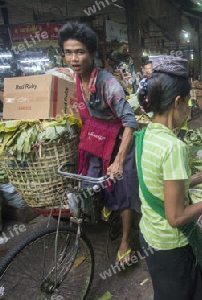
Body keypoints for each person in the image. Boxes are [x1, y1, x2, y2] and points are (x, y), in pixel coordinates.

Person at [135, 55, 202, 299]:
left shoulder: (145, 136)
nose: (190, 109)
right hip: (172, 246)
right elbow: (176, 217)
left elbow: (162, 187)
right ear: (177, 102)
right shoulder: (174, 147)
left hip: (150, 236)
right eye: (188, 103)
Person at [58, 22, 140, 266]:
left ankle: (126, 240)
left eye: (80, 52)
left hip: (118, 142)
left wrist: (118, 160)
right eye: (68, 52)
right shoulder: (72, 79)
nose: (74, 58)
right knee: (90, 184)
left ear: (92, 54)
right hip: (96, 141)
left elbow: (131, 122)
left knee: (123, 190)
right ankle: (107, 206)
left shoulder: (108, 84)